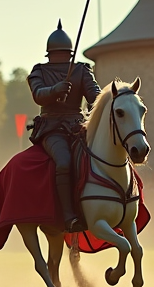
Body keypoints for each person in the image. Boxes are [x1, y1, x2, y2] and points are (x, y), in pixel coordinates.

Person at [27, 20, 102, 232]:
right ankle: (69, 216)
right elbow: (38, 95)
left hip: (78, 126)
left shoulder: (81, 70)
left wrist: (97, 103)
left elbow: (94, 95)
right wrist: (55, 90)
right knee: (64, 161)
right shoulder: (39, 71)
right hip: (52, 128)